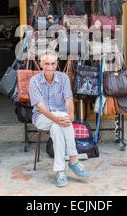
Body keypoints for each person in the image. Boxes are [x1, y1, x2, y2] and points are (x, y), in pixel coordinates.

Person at [29, 51, 90, 187]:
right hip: (41, 117)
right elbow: (41, 107)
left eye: (53, 63)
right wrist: (60, 118)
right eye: (46, 63)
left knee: (57, 128)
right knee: (60, 120)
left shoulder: (63, 78)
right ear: (41, 64)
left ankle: (60, 171)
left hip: (60, 121)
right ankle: (74, 160)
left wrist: (71, 114)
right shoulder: (34, 81)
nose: (50, 66)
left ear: (56, 64)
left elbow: (68, 99)